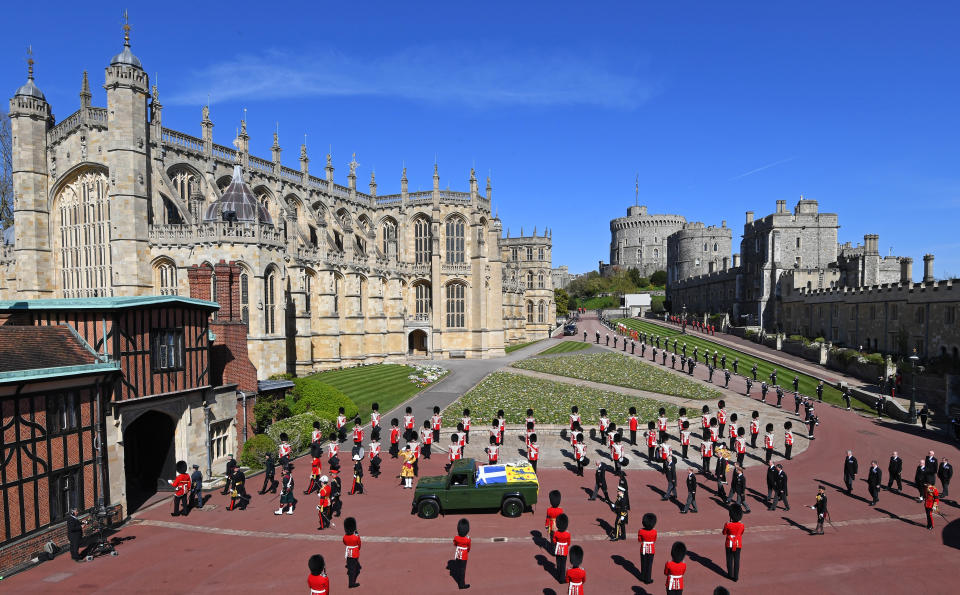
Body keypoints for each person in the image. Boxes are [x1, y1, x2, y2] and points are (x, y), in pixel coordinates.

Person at [722, 504, 745, 582]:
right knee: (737, 560)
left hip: (729, 543)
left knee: (729, 559)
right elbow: (741, 533)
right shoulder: (742, 525)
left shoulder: (728, 524)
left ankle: (729, 574)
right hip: (738, 543)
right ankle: (736, 577)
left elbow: (724, 533)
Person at [637, 513, 658, 584]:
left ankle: (642, 577)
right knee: (649, 565)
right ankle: (648, 579)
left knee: (643, 563)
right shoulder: (654, 531)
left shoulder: (641, 531)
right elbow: (654, 540)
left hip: (643, 548)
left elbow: (639, 540)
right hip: (651, 549)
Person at [452, 518, 471, 590]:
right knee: (462, 570)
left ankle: (459, 577)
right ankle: (461, 585)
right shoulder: (468, 539)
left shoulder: (456, 537)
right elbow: (469, 547)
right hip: (464, 556)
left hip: (457, 553)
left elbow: (455, 544)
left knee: (458, 567)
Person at [343, 517, 362, 588]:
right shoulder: (356, 537)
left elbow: (345, 543)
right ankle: (351, 583)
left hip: (348, 553)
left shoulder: (345, 537)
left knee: (350, 562)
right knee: (353, 570)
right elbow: (359, 544)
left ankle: (351, 566)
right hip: (354, 553)